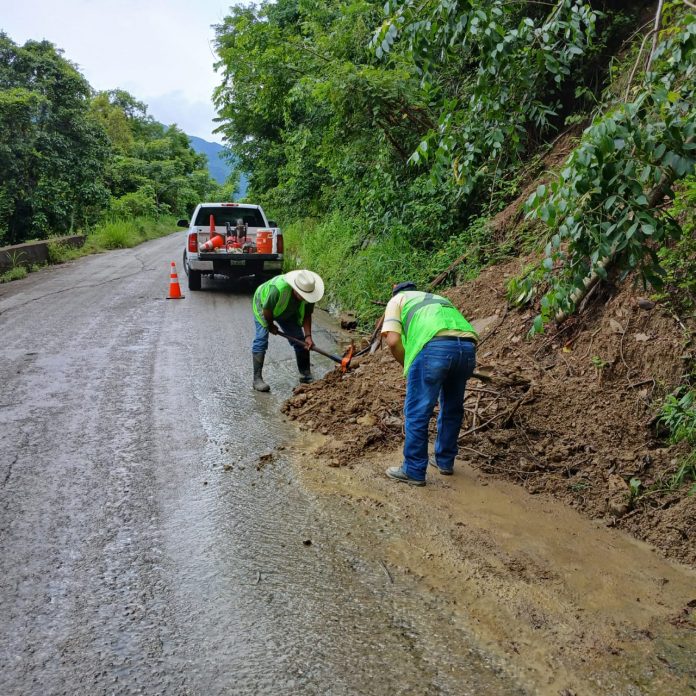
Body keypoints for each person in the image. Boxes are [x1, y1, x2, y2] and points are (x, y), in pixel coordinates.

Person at [381, 282, 478, 486]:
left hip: (435, 349)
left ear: (396, 293)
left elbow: (393, 341)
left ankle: (413, 470)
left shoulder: (397, 300)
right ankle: (445, 461)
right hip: (468, 348)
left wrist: (408, 366)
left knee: (417, 411)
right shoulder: (438, 299)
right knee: (452, 408)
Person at [251, 269, 325, 392]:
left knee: (300, 341)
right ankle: (257, 379)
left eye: (306, 296)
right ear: (295, 288)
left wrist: (308, 336)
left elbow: (307, 314)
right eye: (302, 295)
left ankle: (305, 374)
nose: (304, 298)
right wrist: (271, 325)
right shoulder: (278, 289)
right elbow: (267, 310)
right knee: (261, 339)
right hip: (263, 305)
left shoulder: (309, 293)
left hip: (286, 311)